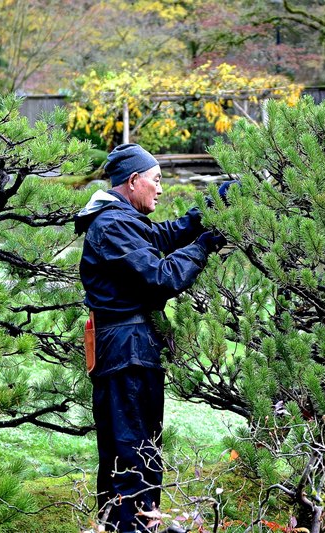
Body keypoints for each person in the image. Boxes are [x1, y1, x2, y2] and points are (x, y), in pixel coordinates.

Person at [75, 143, 233, 532]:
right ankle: (131, 526)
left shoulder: (121, 220)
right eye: (156, 180)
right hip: (125, 353)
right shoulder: (112, 226)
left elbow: (164, 236)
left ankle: (131, 524)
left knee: (137, 450)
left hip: (130, 350)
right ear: (133, 181)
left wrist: (214, 203)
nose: (160, 189)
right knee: (132, 454)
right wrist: (203, 246)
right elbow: (161, 278)